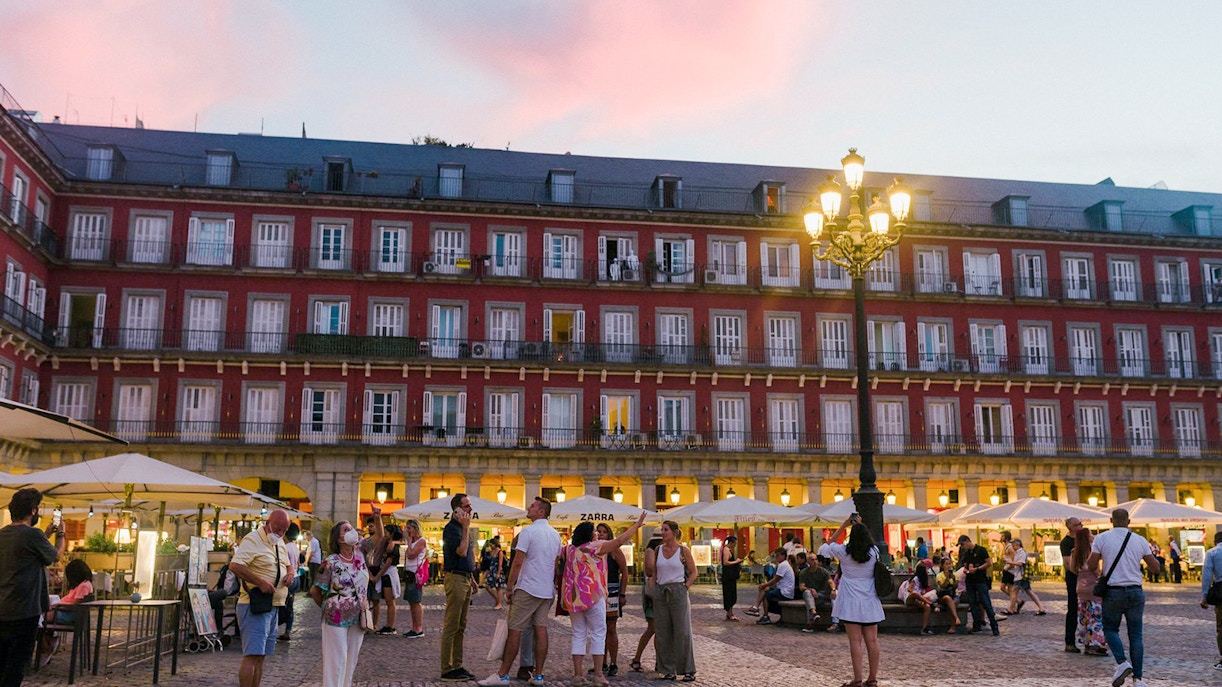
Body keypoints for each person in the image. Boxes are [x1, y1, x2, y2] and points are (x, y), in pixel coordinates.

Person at [551, 514, 646, 686]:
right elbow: (618, 541)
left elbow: (557, 560)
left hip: (573, 598)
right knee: (598, 633)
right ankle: (598, 675)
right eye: (595, 531)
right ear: (590, 535)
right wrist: (636, 526)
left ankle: (578, 674)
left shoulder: (569, 549)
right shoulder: (595, 547)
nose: (597, 534)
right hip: (593, 596)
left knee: (578, 634)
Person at [478, 497, 560, 686]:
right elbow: (555, 564)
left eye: (532, 506)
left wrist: (509, 586)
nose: (528, 508)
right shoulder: (555, 535)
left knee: (514, 629)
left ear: (541, 512)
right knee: (541, 630)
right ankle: (538, 675)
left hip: (528, 587)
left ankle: (503, 674)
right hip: (546, 589)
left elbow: (517, 561)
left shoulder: (528, 532)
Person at [1086, 508, 1161, 687]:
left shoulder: (1102, 538)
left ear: (1111, 520)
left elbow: (1091, 564)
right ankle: (1139, 679)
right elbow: (1155, 568)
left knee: (1110, 629)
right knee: (1136, 635)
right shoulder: (1140, 540)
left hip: (1114, 591)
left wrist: (1101, 566)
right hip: (1135, 590)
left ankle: (1122, 662)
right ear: (1129, 521)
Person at [1, 487, 66, 685]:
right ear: (33, 511)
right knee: (18, 664)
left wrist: (45, 535)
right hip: (25, 609)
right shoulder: (32, 535)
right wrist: (61, 534)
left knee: (2, 661)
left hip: (3, 607)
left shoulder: (4, 534)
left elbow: (26, 553)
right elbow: (56, 556)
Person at [229, 509, 293, 687]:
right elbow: (235, 565)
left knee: (261, 655)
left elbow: (288, 565)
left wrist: (290, 574)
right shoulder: (252, 540)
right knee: (252, 655)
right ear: (268, 523)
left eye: (284, 530)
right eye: (278, 529)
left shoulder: (279, 542)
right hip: (254, 605)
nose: (280, 534)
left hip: (273, 606)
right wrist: (260, 582)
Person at [826, 514, 885, 687]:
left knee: (855, 641)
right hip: (870, 598)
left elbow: (831, 542)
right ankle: (872, 678)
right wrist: (861, 525)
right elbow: (871, 542)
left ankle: (858, 679)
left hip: (851, 600)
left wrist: (845, 524)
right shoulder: (874, 552)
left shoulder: (844, 553)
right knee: (872, 640)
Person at [309, 519, 370, 687]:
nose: (351, 532)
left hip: (358, 617)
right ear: (339, 538)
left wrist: (377, 518)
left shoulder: (360, 557)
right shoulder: (330, 562)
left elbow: (379, 540)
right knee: (336, 660)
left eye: (351, 528)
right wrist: (328, 606)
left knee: (351, 660)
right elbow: (315, 590)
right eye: (346, 530)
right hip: (335, 617)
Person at [648, 520, 697, 681]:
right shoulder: (658, 550)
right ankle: (668, 669)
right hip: (661, 591)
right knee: (663, 632)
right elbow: (655, 571)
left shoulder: (683, 550)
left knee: (682, 631)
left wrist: (685, 587)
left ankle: (687, 669)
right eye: (662, 530)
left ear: (674, 532)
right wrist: (653, 587)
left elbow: (693, 572)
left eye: (666, 530)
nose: (663, 533)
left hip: (677, 590)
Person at [439, 493, 478, 682]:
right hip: (455, 579)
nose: (470, 509)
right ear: (457, 510)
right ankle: (447, 668)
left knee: (461, 626)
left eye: (470, 506)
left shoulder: (461, 528)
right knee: (452, 625)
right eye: (467, 506)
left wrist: (472, 577)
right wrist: (465, 528)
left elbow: (467, 556)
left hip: (464, 578)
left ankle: (457, 665)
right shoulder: (452, 529)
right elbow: (461, 552)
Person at [39, 558, 94, 661]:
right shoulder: (84, 585)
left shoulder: (83, 586)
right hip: (64, 611)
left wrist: (59, 607)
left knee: (37, 620)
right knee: (40, 620)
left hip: (66, 614)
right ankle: (50, 641)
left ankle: (46, 648)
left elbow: (76, 604)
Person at [596, 522, 629, 676]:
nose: (601, 534)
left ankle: (613, 662)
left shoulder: (615, 551)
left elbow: (624, 571)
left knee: (610, 627)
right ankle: (601, 662)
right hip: (598, 593)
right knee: (599, 629)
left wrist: (622, 593)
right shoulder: (595, 550)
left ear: (609, 534)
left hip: (612, 592)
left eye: (604, 532)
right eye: (599, 532)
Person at [1069, 527, 1108, 656]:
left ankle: (1085, 643)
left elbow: (1072, 569)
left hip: (1080, 587)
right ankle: (1095, 644)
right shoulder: (1092, 552)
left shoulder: (1075, 552)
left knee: (1084, 616)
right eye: (1090, 534)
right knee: (1095, 616)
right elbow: (1096, 570)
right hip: (1092, 587)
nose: (1092, 535)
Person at [629, 535, 662, 674]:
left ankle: (658, 661)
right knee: (652, 628)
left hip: (659, 590)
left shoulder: (661, 550)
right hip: (652, 592)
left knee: (657, 630)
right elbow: (649, 570)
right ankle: (637, 658)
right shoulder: (651, 550)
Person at [956, 534, 999, 636]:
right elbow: (965, 566)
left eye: (962, 544)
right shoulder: (967, 553)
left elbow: (989, 563)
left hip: (980, 580)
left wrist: (978, 568)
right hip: (970, 581)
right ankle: (976, 626)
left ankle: (994, 626)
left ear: (967, 541)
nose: (962, 547)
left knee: (985, 603)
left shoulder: (981, 550)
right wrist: (967, 570)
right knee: (973, 603)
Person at [745, 547, 794, 626]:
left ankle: (763, 613)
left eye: (778, 556)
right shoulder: (784, 565)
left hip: (785, 592)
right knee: (765, 589)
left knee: (766, 594)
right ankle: (756, 608)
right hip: (782, 589)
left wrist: (765, 584)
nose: (776, 558)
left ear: (783, 556)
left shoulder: (783, 565)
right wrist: (766, 586)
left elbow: (775, 579)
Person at [358, 513, 387, 635]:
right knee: (366, 601)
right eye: (368, 526)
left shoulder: (379, 542)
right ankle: (366, 624)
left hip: (376, 571)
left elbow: (381, 535)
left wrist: (377, 517)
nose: (369, 528)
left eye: (372, 526)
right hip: (366, 572)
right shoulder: (364, 543)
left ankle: (373, 624)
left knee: (375, 601)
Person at [1002, 539, 1047, 615]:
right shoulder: (1018, 553)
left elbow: (1020, 563)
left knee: (1014, 592)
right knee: (1028, 591)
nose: (1012, 547)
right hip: (1019, 576)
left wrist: (1009, 562)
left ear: (1017, 545)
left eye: (1013, 546)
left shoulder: (1021, 552)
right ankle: (1041, 608)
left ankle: (1010, 609)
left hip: (1021, 576)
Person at [372, 524, 402, 634]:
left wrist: (377, 576)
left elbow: (388, 564)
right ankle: (389, 624)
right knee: (389, 601)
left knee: (390, 601)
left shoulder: (393, 547)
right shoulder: (387, 544)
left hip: (389, 574)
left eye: (386, 532)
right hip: (386, 573)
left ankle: (390, 625)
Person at [400, 519, 427, 638]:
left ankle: (418, 628)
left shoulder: (421, 541)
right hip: (409, 573)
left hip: (416, 574)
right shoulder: (411, 541)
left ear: (415, 529)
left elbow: (410, 554)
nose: (407, 531)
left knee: (416, 601)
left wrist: (410, 542)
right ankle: (414, 626)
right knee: (411, 601)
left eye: (409, 528)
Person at [1061, 517, 1085, 652]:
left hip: (1087, 578)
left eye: (1081, 524)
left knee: (1090, 609)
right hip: (1073, 579)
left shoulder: (1085, 539)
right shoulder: (1066, 542)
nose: (1081, 526)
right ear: (1070, 527)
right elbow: (1068, 564)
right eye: (1078, 525)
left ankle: (1091, 640)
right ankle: (1069, 641)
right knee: (1073, 608)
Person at [1199, 530, 1222, 670]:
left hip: (1221, 590)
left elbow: (1206, 575)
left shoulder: (1212, 553)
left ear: (1215, 541)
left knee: (1221, 627)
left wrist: (1204, 597)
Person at [277, 522, 302, 641]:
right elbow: (297, 564)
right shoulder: (295, 547)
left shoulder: (284, 547)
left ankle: (274, 628)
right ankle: (288, 631)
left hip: (287, 579)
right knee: (290, 606)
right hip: (296, 577)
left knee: (279, 604)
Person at [899, 562, 938, 635]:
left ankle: (924, 628)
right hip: (910, 598)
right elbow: (909, 589)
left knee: (927, 607)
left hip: (918, 599)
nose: (927, 571)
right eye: (926, 569)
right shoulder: (915, 579)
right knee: (915, 593)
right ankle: (931, 604)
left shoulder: (924, 581)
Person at [798, 552, 832, 633]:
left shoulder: (823, 572)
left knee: (808, 600)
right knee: (807, 593)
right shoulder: (804, 572)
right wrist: (811, 589)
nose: (815, 561)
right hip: (811, 596)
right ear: (808, 562)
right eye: (812, 560)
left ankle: (810, 623)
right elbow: (801, 587)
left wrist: (833, 589)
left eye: (816, 559)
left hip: (821, 595)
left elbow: (830, 581)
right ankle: (813, 613)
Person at [933, 557, 961, 633]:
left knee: (952, 604)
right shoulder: (939, 575)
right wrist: (947, 578)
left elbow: (956, 587)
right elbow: (942, 586)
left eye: (950, 564)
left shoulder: (955, 575)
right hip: (943, 596)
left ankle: (953, 627)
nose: (948, 566)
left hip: (953, 595)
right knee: (948, 599)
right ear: (942, 566)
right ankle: (956, 618)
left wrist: (954, 579)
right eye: (946, 564)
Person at [719, 535, 742, 621]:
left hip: (731, 576)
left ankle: (730, 612)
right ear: (731, 543)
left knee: (732, 594)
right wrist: (736, 561)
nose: (735, 545)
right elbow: (725, 562)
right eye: (735, 543)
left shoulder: (728, 550)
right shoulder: (726, 550)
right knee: (729, 594)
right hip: (728, 576)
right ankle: (729, 613)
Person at [481, 538, 505, 610]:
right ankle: (496, 600)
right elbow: (487, 561)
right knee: (487, 586)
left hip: (497, 570)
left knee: (498, 588)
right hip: (491, 570)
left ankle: (499, 603)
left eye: (491, 544)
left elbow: (500, 563)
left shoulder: (500, 552)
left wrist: (498, 573)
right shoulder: (491, 551)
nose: (490, 545)